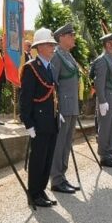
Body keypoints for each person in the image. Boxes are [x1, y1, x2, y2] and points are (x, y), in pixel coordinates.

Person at [19, 28, 60, 208]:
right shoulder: (31, 68)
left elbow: (52, 94)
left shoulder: (50, 67)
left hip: (51, 121)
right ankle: (34, 193)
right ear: (40, 47)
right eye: (50, 45)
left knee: (47, 158)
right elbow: (26, 98)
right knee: (38, 159)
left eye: (53, 45)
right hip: (38, 122)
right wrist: (28, 122)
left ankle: (41, 190)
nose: (53, 48)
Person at [49, 23, 81, 193]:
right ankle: (56, 179)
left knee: (67, 143)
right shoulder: (56, 56)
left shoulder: (68, 56)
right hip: (63, 107)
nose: (73, 38)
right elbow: (52, 85)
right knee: (60, 144)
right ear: (61, 37)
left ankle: (62, 176)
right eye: (71, 35)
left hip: (72, 106)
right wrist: (56, 109)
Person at [92, 31, 112, 168]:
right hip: (107, 101)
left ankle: (109, 153)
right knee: (105, 129)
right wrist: (102, 101)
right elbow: (99, 82)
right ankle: (104, 156)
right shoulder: (102, 60)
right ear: (109, 44)